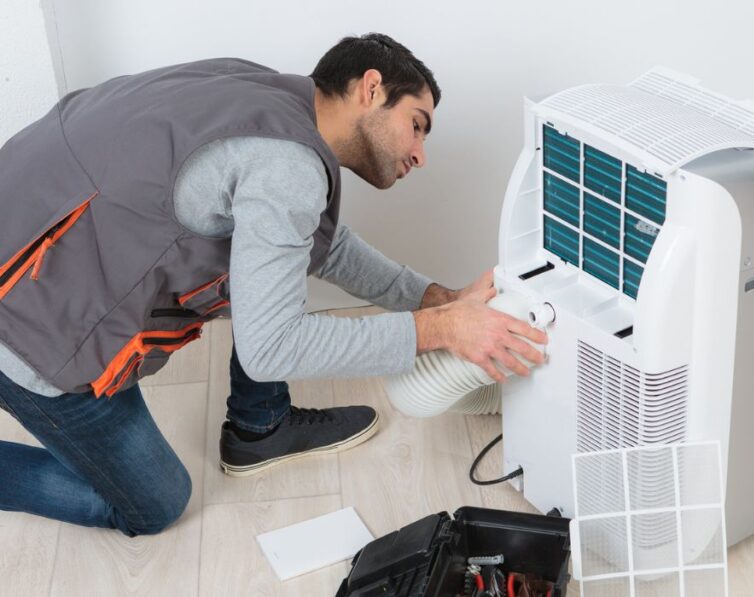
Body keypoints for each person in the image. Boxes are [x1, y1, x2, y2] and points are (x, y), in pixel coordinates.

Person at [0, 32, 546, 537]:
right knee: (156, 503)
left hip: (37, 254)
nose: (420, 155)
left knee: (269, 263)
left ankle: (259, 426)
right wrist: (439, 330)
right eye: (417, 124)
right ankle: (257, 426)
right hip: (29, 325)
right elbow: (270, 349)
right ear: (371, 88)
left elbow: (312, 242)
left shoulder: (259, 92)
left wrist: (438, 300)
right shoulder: (286, 166)